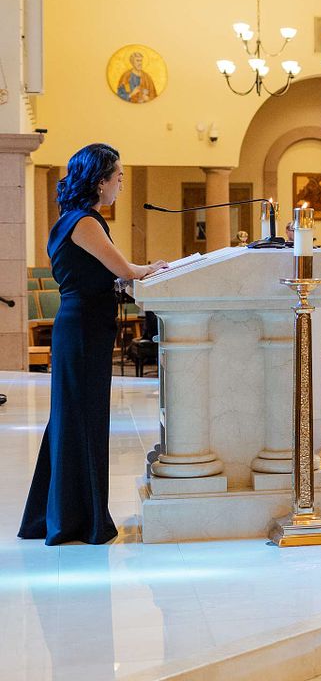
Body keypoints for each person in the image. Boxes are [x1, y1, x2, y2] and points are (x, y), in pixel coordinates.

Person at [19, 144, 168, 545]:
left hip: (85, 328)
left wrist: (128, 276)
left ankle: (58, 515)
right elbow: (125, 269)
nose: (121, 183)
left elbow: (105, 276)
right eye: (117, 176)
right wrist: (152, 268)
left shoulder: (79, 219)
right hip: (83, 330)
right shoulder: (84, 221)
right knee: (79, 421)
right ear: (100, 180)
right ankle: (74, 520)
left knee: (74, 420)